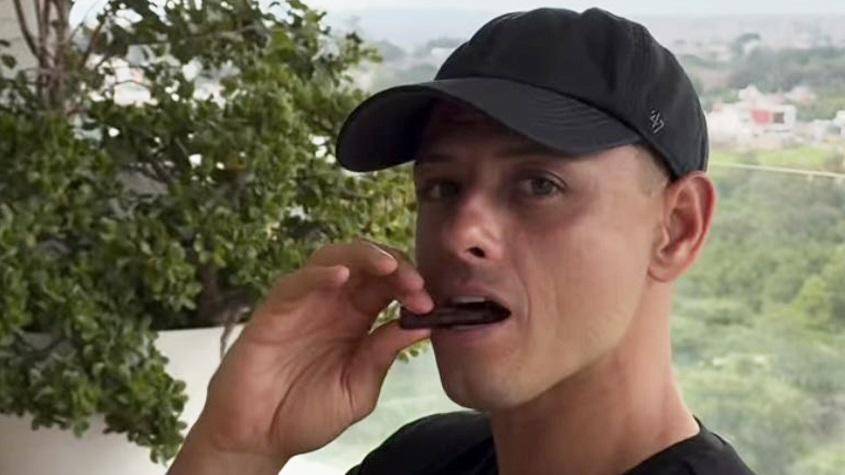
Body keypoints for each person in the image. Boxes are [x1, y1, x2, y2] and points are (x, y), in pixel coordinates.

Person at [168, 7, 756, 475]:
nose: (459, 234)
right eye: (443, 188)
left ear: (677, 229)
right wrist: (240, 448)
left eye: (539, 185)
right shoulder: (422, 459)